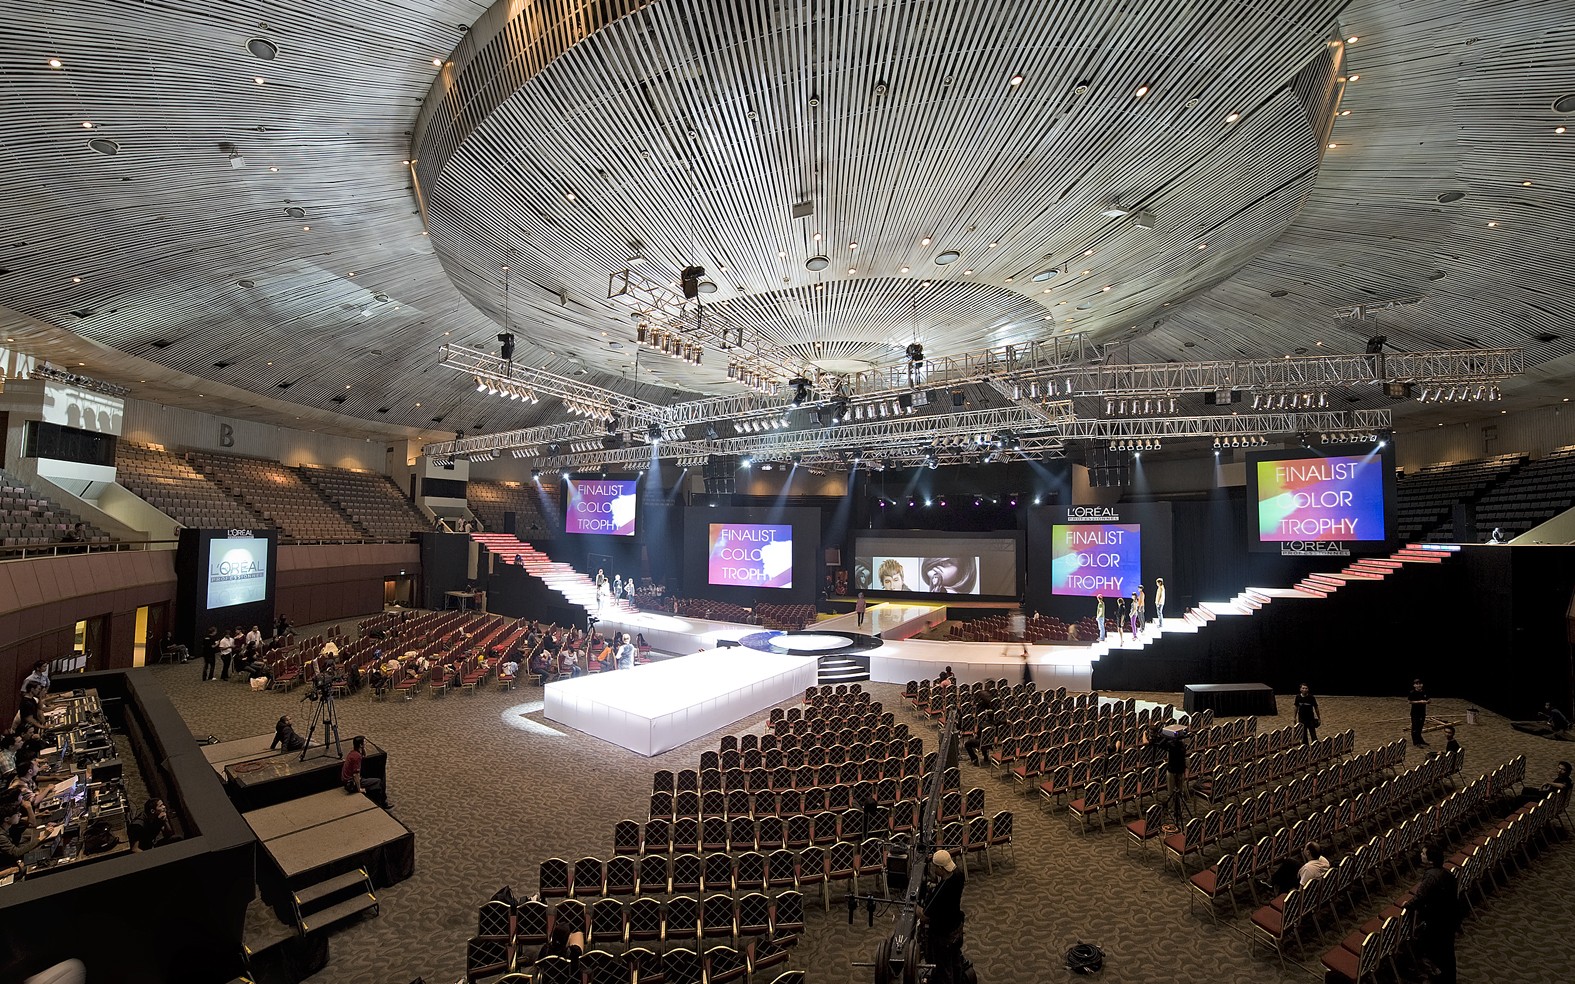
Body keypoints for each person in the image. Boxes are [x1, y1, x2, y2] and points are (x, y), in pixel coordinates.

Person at [1410, 839, 1459, 984]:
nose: (1421, 854)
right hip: (1449, 918)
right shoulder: (1446, 874)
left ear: (1430, 860)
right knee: (1447, 953)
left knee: (1435, 950)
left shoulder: (1431, 876)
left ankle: (1440, 976)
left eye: (1424, 853)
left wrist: (1407, 905)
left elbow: (1420, 897)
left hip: (1439, 921)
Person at [917, 849, 966, 984]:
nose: (933, 868)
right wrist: (935, 857)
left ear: (940, 868)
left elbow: (924, 916)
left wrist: (914, 906)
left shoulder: (939, 894)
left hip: (943, 935)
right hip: (956, 927)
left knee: (944, 969)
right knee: (956, 962)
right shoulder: (958, 875)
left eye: (934, 866)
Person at [342, 735, 388, 809]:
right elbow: (355, 775)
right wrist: (359, 789)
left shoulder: (353, 752)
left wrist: (363, 748)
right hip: (350, 783)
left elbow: (364, 755)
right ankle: (382, 803)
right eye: (364, 743)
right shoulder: (357, 757)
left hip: (348, 779)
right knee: (378, 781)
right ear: (360, 745)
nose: (365, 744)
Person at [1409, 679, 1430, 746]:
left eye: (1420, 684)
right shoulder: (1412, 692)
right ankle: (1415, 742)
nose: (1419, 685)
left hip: (1422, 712)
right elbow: (1410, 701)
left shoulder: (1424, 692)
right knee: (1415, 727)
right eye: (1417, 684)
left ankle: (1420, 740)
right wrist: (1420, 702)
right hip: (1415, 713)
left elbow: (1428, 699)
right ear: (1414, 685)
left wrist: (1428, 701)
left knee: (1420, 727)